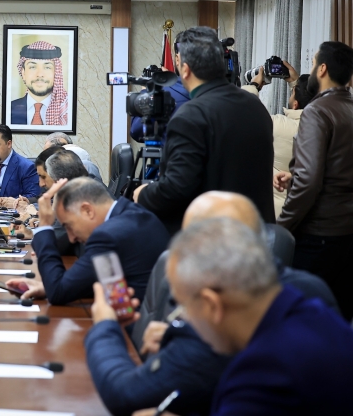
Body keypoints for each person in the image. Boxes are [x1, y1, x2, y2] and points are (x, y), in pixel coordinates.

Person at [85, 191, 338, 416]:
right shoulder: (311, 294)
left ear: (212, 305)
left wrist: (105, 324)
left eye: (183, 305)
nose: (181, 316)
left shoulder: (256, 368)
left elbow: (124, 395)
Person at [132, 218, 353, 415]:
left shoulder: (260, 373)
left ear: (212, 304)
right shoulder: (312, 309)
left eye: (183, 308)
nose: (182, 321)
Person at [134, 27, 274, 233]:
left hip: (213, 239)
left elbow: (176, 189)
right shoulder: (256, 106)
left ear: (184, 68)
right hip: (258, 235)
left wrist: (143, 194)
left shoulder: (190, 117)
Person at [275, 41, 353, 320]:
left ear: (322, 69)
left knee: (302, 322)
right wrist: (295, 175)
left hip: (319, 236)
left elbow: (309, 182)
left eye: (313, 62)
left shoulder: (317, 111)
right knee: (338, 323)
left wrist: (282, 227)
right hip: (347, 233)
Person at [6, 177, 168, 305]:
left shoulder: (108, 236)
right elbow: (111, 279)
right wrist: (50, 287)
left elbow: (57, 293)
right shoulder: (134, 214)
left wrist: (44, 227)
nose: (71, 238)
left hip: (131, 330)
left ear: (87, 210)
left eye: (69, 226)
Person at [240, 61, 316, 217]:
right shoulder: (325, 127)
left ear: (295, 104)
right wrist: (296, 84)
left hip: (276, 212)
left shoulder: (278, 126)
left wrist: (254, 86)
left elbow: (243, 111)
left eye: (293, 93)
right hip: (309, 212)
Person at [10, 42, 68, 126]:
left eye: (47, 67)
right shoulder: (9, 110)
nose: (40, 74)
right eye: (32, 67)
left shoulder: (68, 110)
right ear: (23, 73)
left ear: (56, 73)